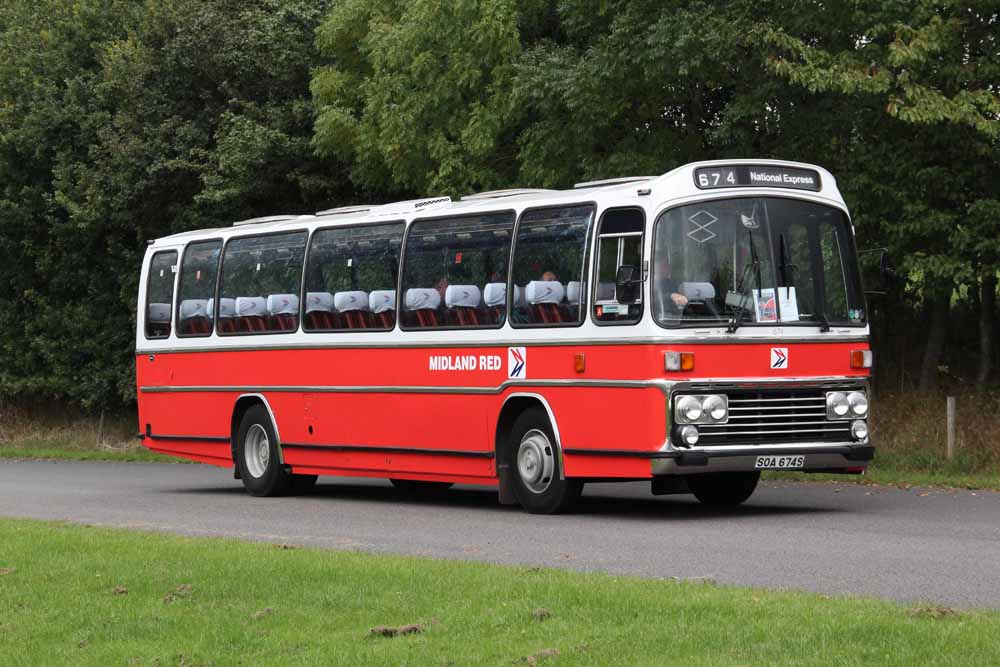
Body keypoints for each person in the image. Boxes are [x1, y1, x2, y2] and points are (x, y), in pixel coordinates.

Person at [654, 253, 688, 317]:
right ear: (656, 267)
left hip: (674, 317)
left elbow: (680, 300)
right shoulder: (648, 284)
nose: (669, 267)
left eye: (668, 264)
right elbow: (653, 300)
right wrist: (671, 296)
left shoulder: (672, 283)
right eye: (665, 265)